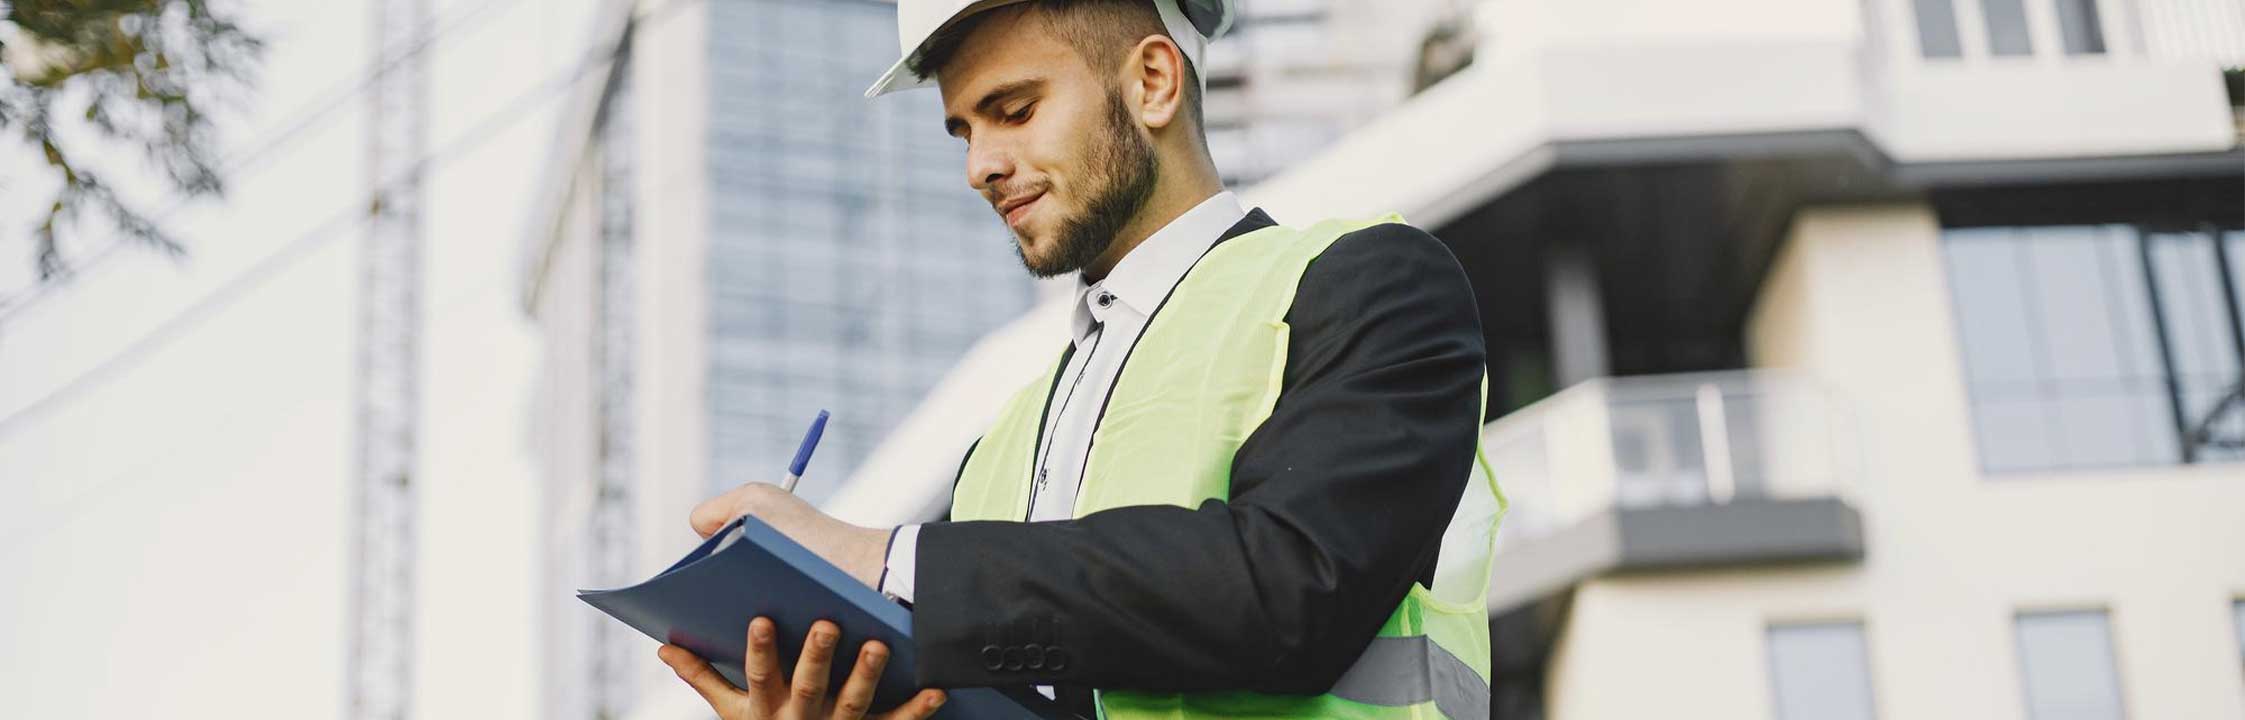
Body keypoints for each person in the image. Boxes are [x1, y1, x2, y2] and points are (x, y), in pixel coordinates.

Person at [654, 1, 1501, 718]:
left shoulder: (1368, 284)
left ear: (1153, 83)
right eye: (963, 131)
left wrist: (881, 557)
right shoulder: (1003, 444)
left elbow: (1290, 591)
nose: (979, 166)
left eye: (1014, 111)